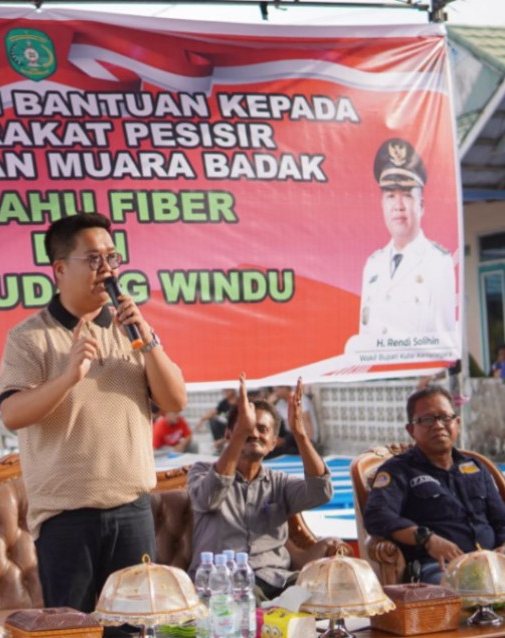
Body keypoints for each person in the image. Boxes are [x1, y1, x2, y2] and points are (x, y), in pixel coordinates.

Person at [0, 212, 187, 614]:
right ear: (60, 269)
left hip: (133, 511)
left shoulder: (131, 328)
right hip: (66, 520)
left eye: (113, 258)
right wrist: (67, 377)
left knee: (134, 627)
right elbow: (11, 414)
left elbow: (174, 403)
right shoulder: (29, 337)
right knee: (75, 628)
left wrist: (149, 340)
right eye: (95, 259)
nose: (108, 269)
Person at [187, 376, 332, 600]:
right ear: (228, 435)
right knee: (249, 600)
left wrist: (300, 435)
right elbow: (209, 498)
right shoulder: (201, 471)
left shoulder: (279, 482)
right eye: (246, 429)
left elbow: (320, 492)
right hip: (223, 584)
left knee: (328, 593)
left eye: (262, 429)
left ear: (273, 443)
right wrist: (239, 435)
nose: (254, 434)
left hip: (276, 579)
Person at [362, 385, 505, 584]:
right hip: (438, 568)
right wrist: (426, 539)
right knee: (471, 587)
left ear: (457, 423)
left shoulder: (476, 468)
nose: (438, 425)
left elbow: (501, 520)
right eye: (427, 420)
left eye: (445, 417)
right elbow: (377, 516)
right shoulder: (399, 470)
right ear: (411, 430)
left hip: (491, 563)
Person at [357, 138, 455, 337]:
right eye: (391, 196)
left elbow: (444, 344)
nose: (398, 205)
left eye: (407, 195)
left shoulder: (438, 262)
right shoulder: (373, 265)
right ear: (382, 204)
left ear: (422, 205)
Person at [196, 389, 236, 453]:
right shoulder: (224, 403)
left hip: (236, 428)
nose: (225, 392)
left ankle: (222, 442)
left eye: (227, 390)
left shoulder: (239, 402)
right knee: (213, 420)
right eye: (224, 391)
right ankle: (219, 445)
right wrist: (201, 420)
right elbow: (214, 412)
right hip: (227, 428)